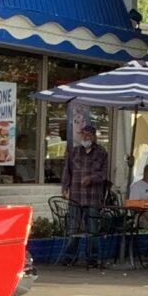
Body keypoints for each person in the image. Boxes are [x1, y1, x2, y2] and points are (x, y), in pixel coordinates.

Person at [60, 112, 109, 265]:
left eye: (89, 134)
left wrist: (92, 178)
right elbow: (67, 171)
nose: (86, 137)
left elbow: (103, 174)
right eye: (84, 134)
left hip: (93, 197)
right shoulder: (74, 151)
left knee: (92, 229)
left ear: (94, 137)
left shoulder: (101, 152)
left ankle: (92, 258)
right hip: (76, 196)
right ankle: (70, 258)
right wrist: (65, 188)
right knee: (73, 229)